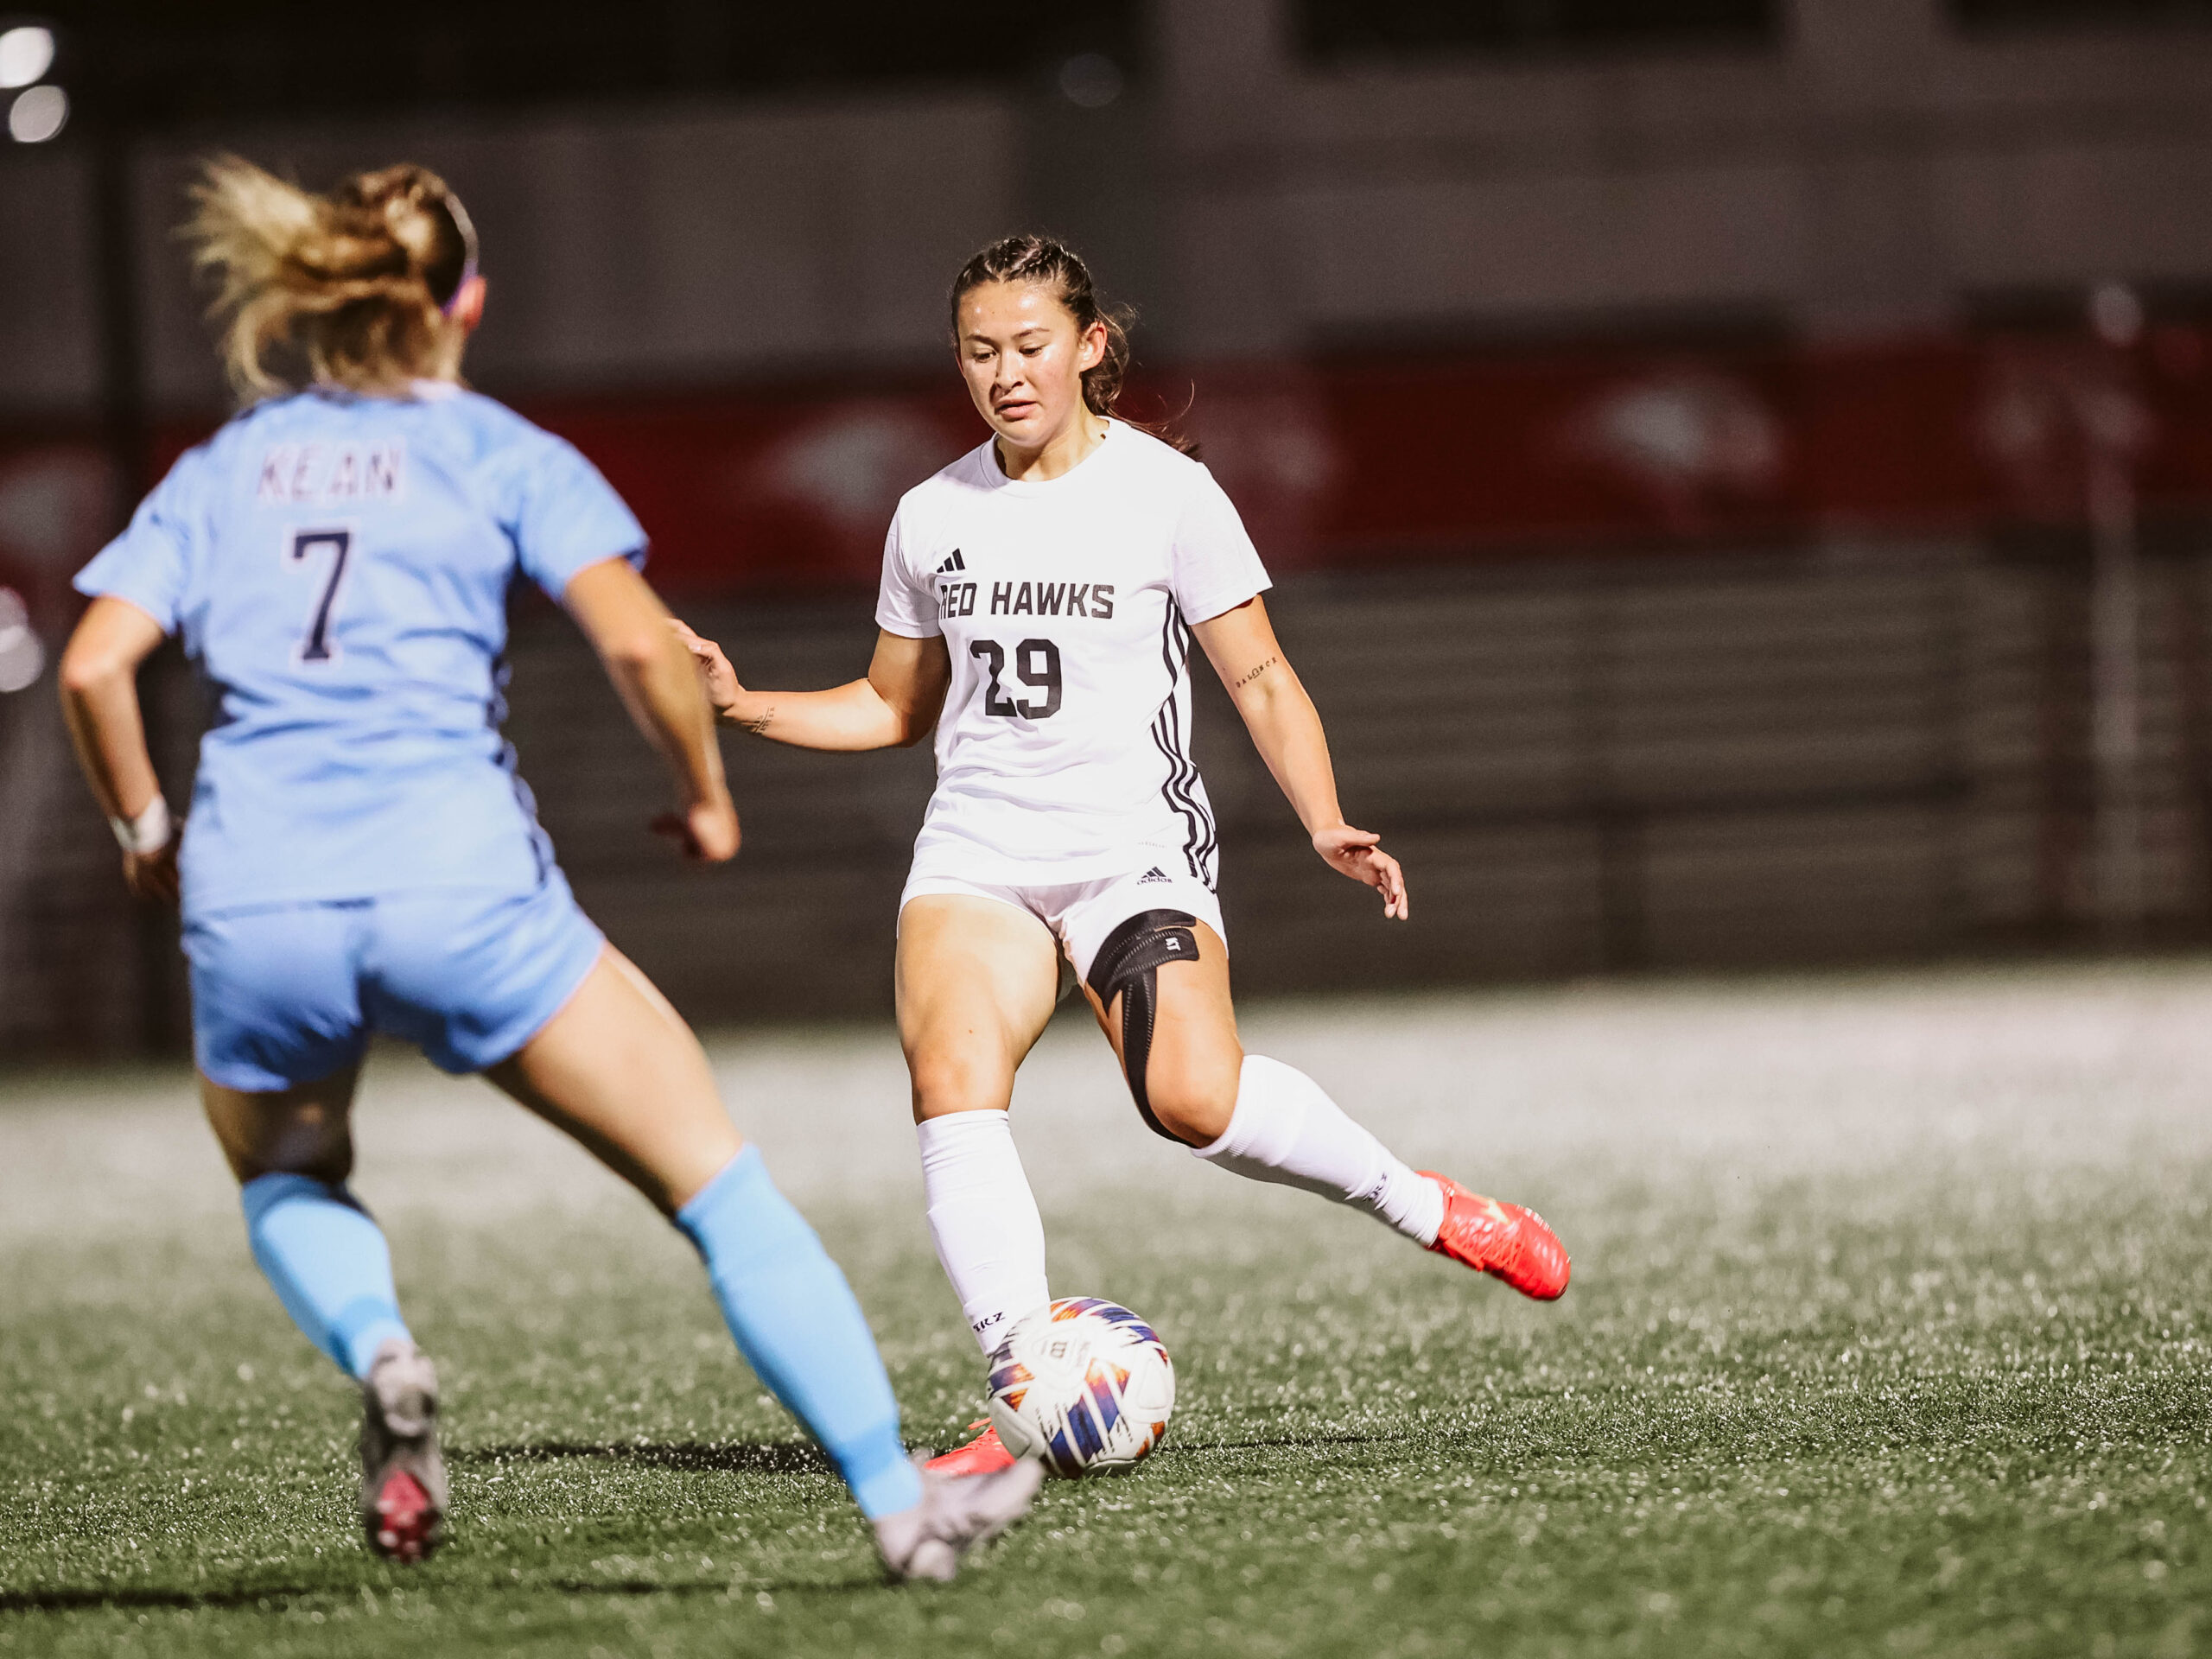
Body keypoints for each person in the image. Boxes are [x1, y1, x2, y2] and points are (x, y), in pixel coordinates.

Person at [56, 157, 1038, 1574]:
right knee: (717, 1188)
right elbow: (641, 642)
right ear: (467, 301)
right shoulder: (498, 451)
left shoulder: (224, 469)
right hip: (460, 892)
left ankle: (383, 1350)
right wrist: (706, 796)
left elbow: (94, 668)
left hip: (255, 894)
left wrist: (149, 832)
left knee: (289, 1177)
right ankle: (901, 1504)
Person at [672, 233, 1571, 1477]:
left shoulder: (1168, 493)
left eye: (1031, 346)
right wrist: (740, 703)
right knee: (952, 1079)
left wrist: (1323, 817)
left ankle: (1425, 1207)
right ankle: (1022, 1383)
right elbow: (891, 708)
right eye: (980, 353)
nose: (1006, 374)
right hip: (978, 850)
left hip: (1129, 851)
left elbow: (1256, 672)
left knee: (1192, 1100)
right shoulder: (931, 515)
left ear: (1090, 348)